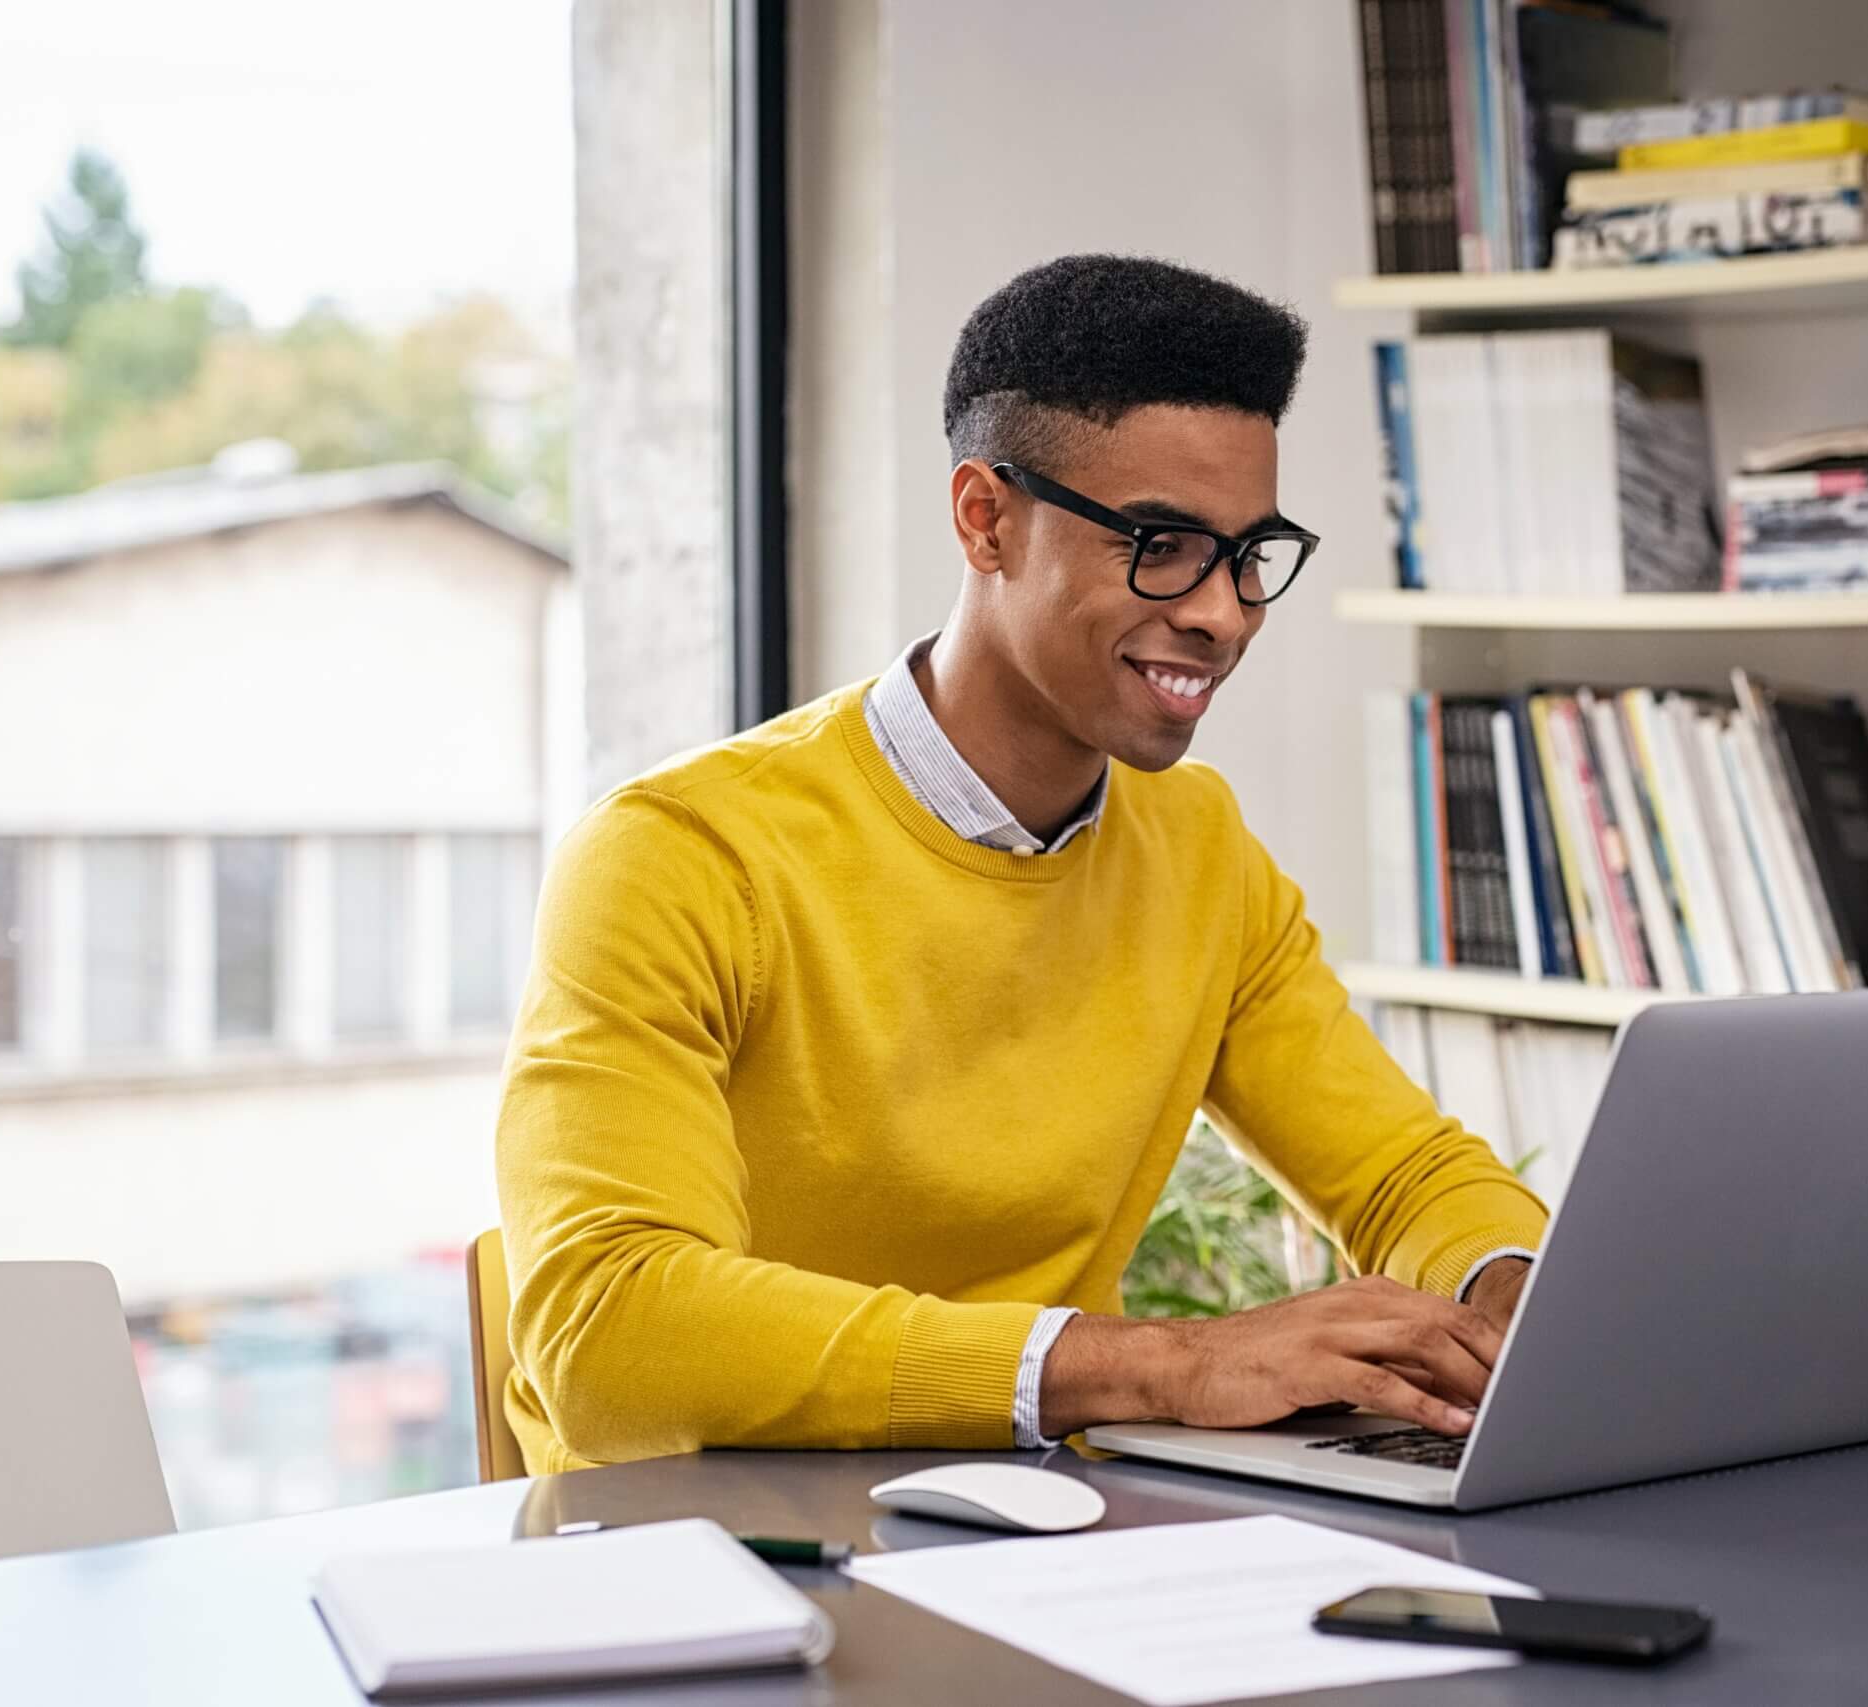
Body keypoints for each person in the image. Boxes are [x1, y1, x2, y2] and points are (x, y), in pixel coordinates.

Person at [495, 254, 1543, 1472]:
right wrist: (1168, 1366)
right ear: (985, 519)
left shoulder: (1198, 850)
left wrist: (1513, 1297)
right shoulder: (678, 858)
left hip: (1033, 1533)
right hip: (707, 1559)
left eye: (1252, 553)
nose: (1223, 613)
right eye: (1161, 544)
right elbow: (607, 1332)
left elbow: (1402, 1171)